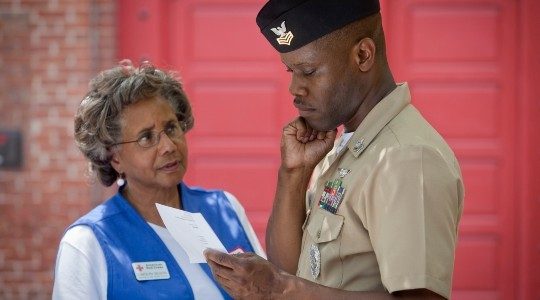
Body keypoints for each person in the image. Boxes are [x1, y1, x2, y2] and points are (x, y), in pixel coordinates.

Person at [204, 0, 464, 299]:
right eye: (290, 70)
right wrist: (295, 173)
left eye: (309, 71)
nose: (294, 88)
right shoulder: (346, 146)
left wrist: (282, 289)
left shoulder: (404, 157)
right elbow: (287, 269)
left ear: (363, 55)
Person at [52, 60, 264, 299]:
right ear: (114, 157)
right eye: (146, 138)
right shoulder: (88, 242)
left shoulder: (225, 208)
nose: (168, 146)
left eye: (171, 128)